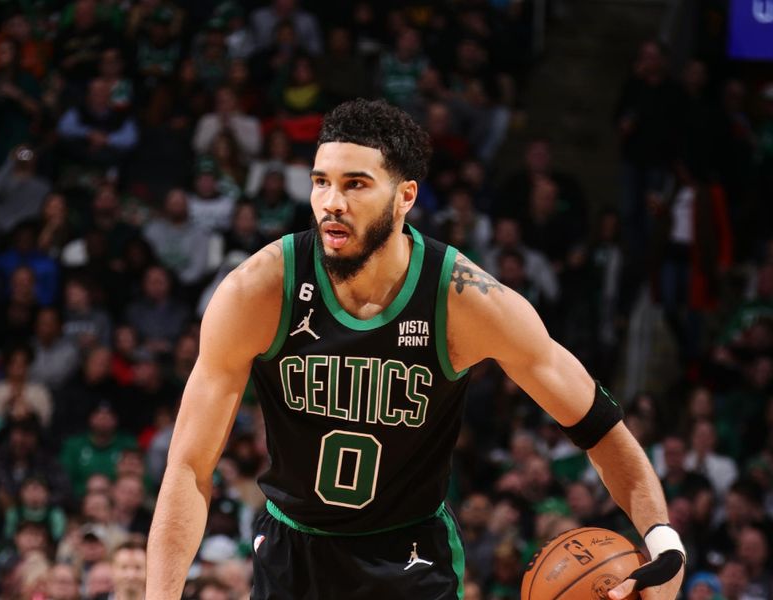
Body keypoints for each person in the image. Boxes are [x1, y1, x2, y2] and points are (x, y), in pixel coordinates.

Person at [148, 99, 685, 599]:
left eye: (355, 184)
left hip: (408, 558)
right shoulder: (257, 291)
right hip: (292, 550)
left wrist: (661, 537)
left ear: (405, 195)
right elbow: (189, 469)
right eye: (321, 182)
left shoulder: (465, 300)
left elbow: (598, 425)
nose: (331, 203)